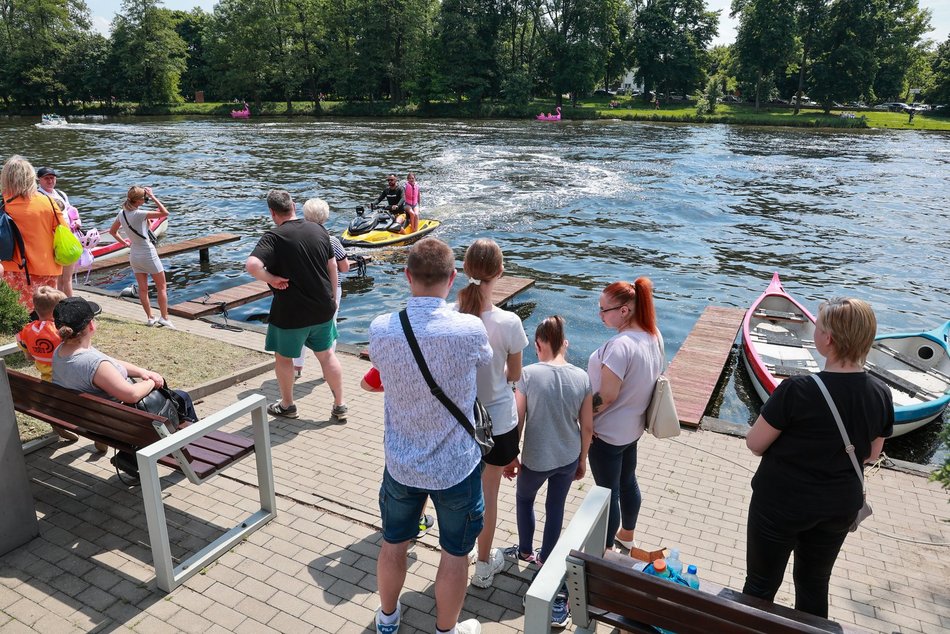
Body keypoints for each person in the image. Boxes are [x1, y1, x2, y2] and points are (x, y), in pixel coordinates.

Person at [369, 238, 490, 634]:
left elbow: (380, 377)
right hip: (456, 466)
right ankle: (446, 630)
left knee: (393, 542)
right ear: (453, 278)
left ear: (407, 276)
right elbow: (488, 362)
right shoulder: (470, 329)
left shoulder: (381, 329)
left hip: (402, 462)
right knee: (455, 553)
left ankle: (388, 619)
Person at [743, 298, 893, 618]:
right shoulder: (880, 393)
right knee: (814, 584)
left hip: (780, 503)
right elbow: (872, 453)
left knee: (760, 584)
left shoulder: (797, 389)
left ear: (829, 339)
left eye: (819, 326)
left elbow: (755, 443)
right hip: (838, 505)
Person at [454, 239, 528, 589]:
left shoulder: (452, 317)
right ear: (500, 272)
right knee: (489, 495)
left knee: (458, 494)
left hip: (459, 421)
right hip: (497, 422)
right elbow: (514, 376)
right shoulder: (509, 322)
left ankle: (458, 552)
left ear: (464, 269)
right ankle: (483, 566)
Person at [50, 296, 197, 465]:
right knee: (181, 398)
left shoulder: (62, 352)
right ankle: (186, 452)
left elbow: (111, 363)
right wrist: (153, 381)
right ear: (91, 325)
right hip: (117, 426)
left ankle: (132, 456)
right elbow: (131, 395)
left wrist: (143, 372)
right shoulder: (92, 363)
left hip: (88, 418)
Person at [246, 190, 346, 422]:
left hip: (290, 313)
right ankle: (340, 404)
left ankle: (288, 405)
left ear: (272, 212)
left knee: (284, 359)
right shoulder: (319, 230)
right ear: (294, 205)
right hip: (322, 308)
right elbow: (333, 266)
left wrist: (271, 279)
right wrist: (331, 297)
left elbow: (252, 265)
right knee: (327, 355)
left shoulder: (273, 237)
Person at [505, 316, 593, 566]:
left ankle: (524, 552)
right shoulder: (582, 377)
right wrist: (582, 459)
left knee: (525, 499)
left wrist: (511, 456)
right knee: (556, 507)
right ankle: (545, 558)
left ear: (538, 345)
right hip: (568, 456)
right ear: (564, 344)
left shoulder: (528, 375)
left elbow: (517, 421)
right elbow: (587, 426)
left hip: (536, 458)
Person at [587, 278, 663, 552]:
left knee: (608, 494)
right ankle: (626, 536)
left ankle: (604, 553)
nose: (600, 315)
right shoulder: (653, 336)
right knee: (628, 482)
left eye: (604, 309)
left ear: (624, 310)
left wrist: (582, 418)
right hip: (632, 429)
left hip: (606, 434)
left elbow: (606, 396)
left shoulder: (621, 346)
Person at [360, 364, 435, 540]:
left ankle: (394, 524)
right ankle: (418, 521)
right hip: (433, 434)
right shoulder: (446, 349)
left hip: (399, 437)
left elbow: (366, 385)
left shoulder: (392, 350)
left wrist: (392, 388)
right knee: (423, 480)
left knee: (396, 483)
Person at [293, 198, 349, 377]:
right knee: (329, 328)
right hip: (330, 290)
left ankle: (297, 367)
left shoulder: (298, 239)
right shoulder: (332, 240)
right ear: (325, 217)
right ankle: (328, 369)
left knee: (301, 326)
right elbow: (344, 267)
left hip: (305, 288)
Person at [1, 156, 64, 310]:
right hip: (46, 267)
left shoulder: (3, 204)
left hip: (12, 267)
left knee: (19, 316)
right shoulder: (48, 202)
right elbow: (63, 232)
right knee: (47, 315)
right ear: (31, 177)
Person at [16, 285, 77, 442]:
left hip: (47, 381)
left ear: (35, 309)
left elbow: (28, 355)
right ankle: (99, 437)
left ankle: (57, 423)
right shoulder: (60, 331)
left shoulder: (27, 330)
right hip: (68, 381)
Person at [109, 186, 174, 328]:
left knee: (142, 289)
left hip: (134, 254)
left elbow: (112, 231)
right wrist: (153, 196)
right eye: (144, 198)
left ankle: (150, 318)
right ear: (138, 201)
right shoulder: (140, 213)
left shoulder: (122, 213)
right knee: (161, 287)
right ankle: (164, 318)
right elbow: (165, 213)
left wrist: (125, 244)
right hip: (148, 253)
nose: (146, 200)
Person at [36, 167, 82, 297]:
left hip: (67, 240)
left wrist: (77, 221)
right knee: (57, 279)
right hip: (52, 242)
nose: (50, 180)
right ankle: (68, 306)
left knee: (66, 278)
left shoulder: (61, 194)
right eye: (46, 178)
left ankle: (64, 306)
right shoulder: (38, 196)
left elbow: (71, 213)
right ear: (39, 180)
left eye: (52, 177)